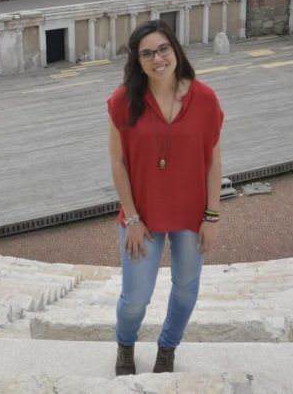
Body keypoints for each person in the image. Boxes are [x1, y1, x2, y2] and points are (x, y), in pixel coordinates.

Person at [107, 20, 223, 376]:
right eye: (147, 53)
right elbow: (118, 163)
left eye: (163, 49)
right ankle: (125, 344)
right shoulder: (122, 101)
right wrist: (131, 220)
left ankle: (167, 348)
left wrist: (212, 216)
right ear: (137, 61)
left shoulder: (204, 98)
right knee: (135, 298)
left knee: (186, 290)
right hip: (141, 217)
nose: (157, 59)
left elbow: (214, 160)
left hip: (191, 215)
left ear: (175, 50)